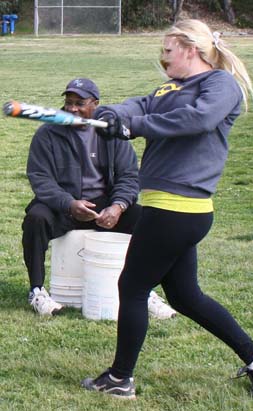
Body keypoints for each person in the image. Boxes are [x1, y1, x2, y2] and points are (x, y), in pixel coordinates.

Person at [81, 20, 253, 401]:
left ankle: (120, 378)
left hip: (180, 208)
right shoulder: (171, 87)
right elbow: (140, 105)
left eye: (168, 49)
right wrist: (112, 114)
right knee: (186, 297)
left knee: (133, 286)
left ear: (190, 48)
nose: (163, 56)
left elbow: (198, 119)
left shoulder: (219, 85)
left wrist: (133, 127)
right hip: (164, 206)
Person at [22, 77, 176, 320]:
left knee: (144, 220)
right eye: (68, 102)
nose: (72, 108)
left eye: (80, 103)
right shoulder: (47, 133)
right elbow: (40, 178)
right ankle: (37, 291)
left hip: (104, 205)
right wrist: (69, 204)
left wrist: (118, 206)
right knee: (35, 219)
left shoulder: (111, 134)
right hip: (63, 205)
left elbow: (128, 176)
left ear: (95, 104)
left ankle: (144, 292)